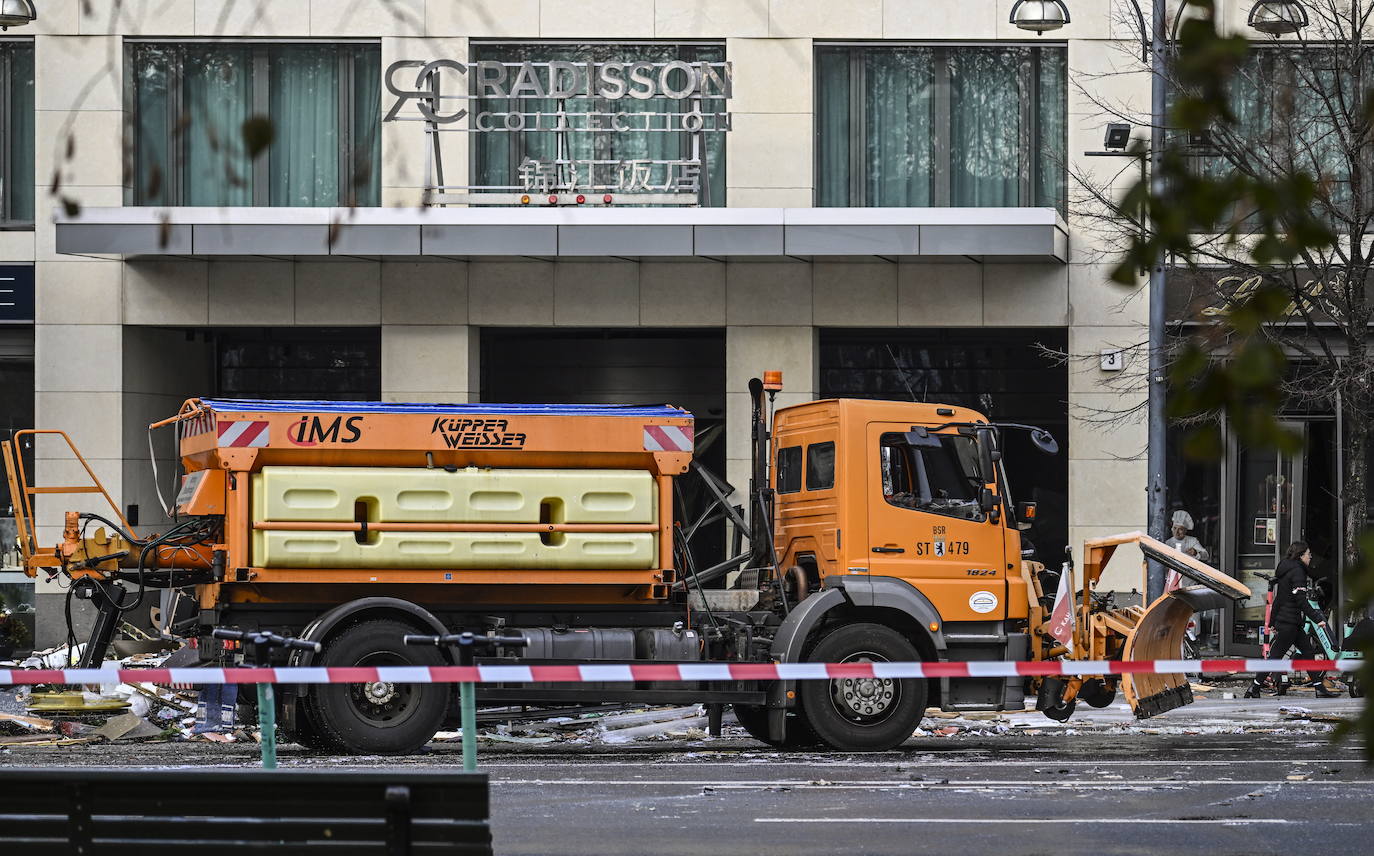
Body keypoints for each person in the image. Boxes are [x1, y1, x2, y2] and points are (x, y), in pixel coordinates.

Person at [1245, 541, 1338, 699]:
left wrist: (1273, 621)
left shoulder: (1287, 570)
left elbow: (1279, 599)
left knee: (1308, 652)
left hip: (1291, 622)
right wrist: (1317, 618)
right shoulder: (1297, 572)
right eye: (1308, 554)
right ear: (1301, 555)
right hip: (1289, 623)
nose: (1310, 557)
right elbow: (1301, 601)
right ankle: (1254, 687)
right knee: (1274, 657)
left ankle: (1319, 688)